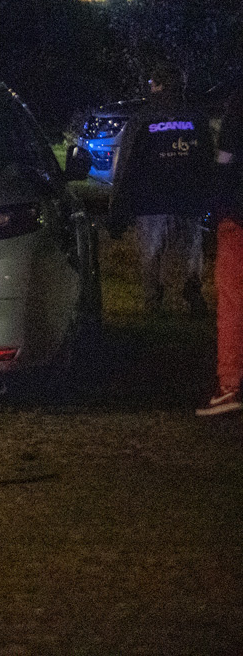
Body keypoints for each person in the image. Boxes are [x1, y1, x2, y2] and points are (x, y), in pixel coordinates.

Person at [108, 62, 211, 318]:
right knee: (191, 253)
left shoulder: (142, 119)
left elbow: (126, 165)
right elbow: (207, 160)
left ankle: (154, 301)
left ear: (160, 86)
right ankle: (192, 294)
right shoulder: (196, 117)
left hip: (151, 201)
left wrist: (118, 206)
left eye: (153, 84)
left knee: (152, 254)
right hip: (187, 199)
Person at [205, 76, 243, 415]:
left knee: (233, 303)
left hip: (238, 218)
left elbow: (223, 165)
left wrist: (216, 211)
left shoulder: (237, 106)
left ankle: (230, 388)